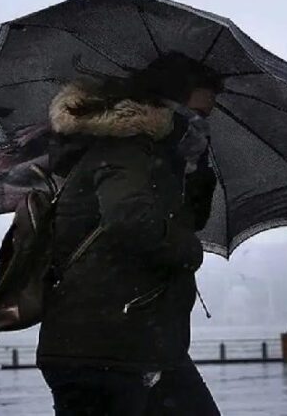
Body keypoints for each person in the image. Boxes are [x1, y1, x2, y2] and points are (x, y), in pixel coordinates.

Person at [37, 53, 221, 415]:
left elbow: (189, 219)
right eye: (196, 114)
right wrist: (190, 252)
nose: (201, 125)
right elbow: (129, 221)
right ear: (166, 106)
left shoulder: (159, 158)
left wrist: (195, 168)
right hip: (103, 349)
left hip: (142, 344)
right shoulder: (126, 149)